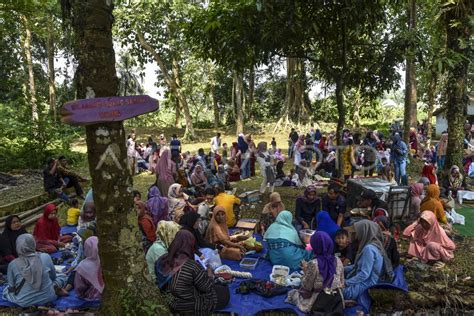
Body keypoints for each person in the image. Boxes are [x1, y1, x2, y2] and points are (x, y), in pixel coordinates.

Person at [155, 230, 229, 315]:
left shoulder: (161, 261)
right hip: (190, 306)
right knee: (224, 291)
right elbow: (206, 287)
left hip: (170, 301)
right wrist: (209, 274)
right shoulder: (191, 266)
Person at [286, 231, 344, 314]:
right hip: (336, 299)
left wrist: (306, 271)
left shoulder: (314, 263)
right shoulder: (337, 260)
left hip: (318, 300)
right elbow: (341, 283)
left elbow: (307, 286)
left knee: (292, 294)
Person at [3, 234, 67, 307]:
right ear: (33, 244)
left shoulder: (12, 264)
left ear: (17, 246)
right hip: (49, 297)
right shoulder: (45, 256)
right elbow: (53, 277)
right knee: (62, 276)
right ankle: (54, 287)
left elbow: (12, 287)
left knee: (6, 290)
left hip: (24, 302)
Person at [343, 220, 394, 301]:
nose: (353, 235)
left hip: (368, 285)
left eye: (355, 233)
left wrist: (345, 283)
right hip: (368, 282)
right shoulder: (374, 245)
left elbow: (364, 274)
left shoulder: (369, 249)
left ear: (364, 232)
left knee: (337, 291)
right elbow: (359, 266)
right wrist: (342, 269)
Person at [74, 236, 104, 301]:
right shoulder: (105, 260)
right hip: (108, 295)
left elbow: (79, 287)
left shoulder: (82, 266)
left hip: (93, 297)